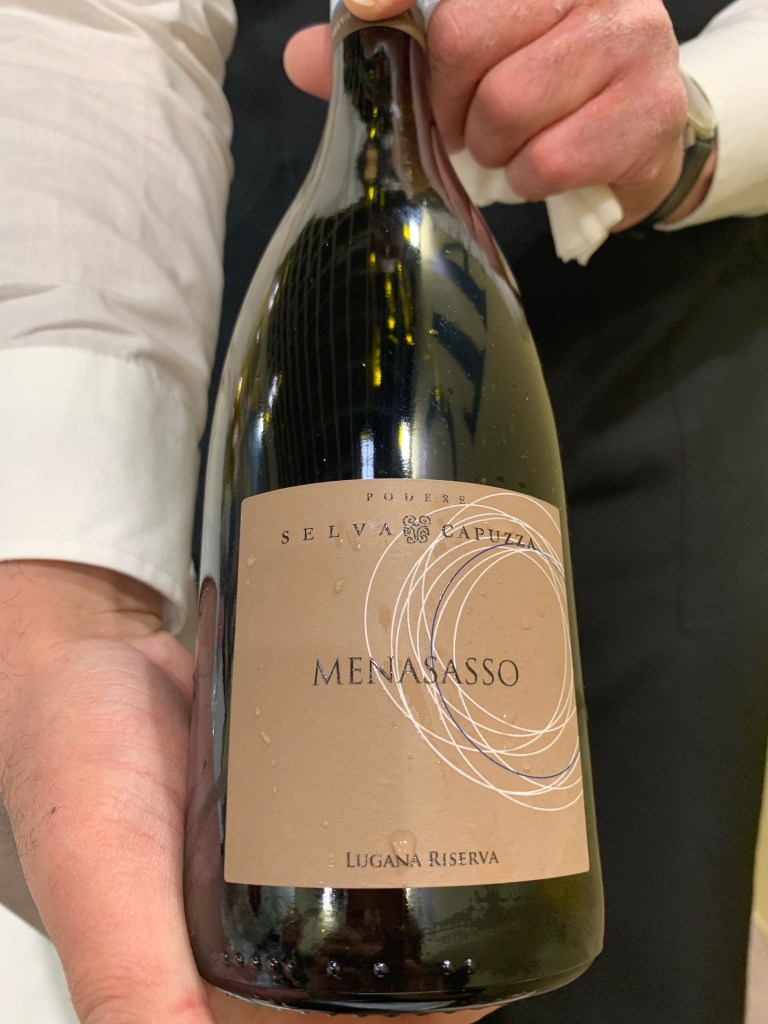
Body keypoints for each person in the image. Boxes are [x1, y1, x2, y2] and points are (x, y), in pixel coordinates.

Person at [0, 1, 766, 1022]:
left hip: (661, 321)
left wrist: (710, 122)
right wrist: (71, 605)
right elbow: (98, 25)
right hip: (299, 292)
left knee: (648, 966)